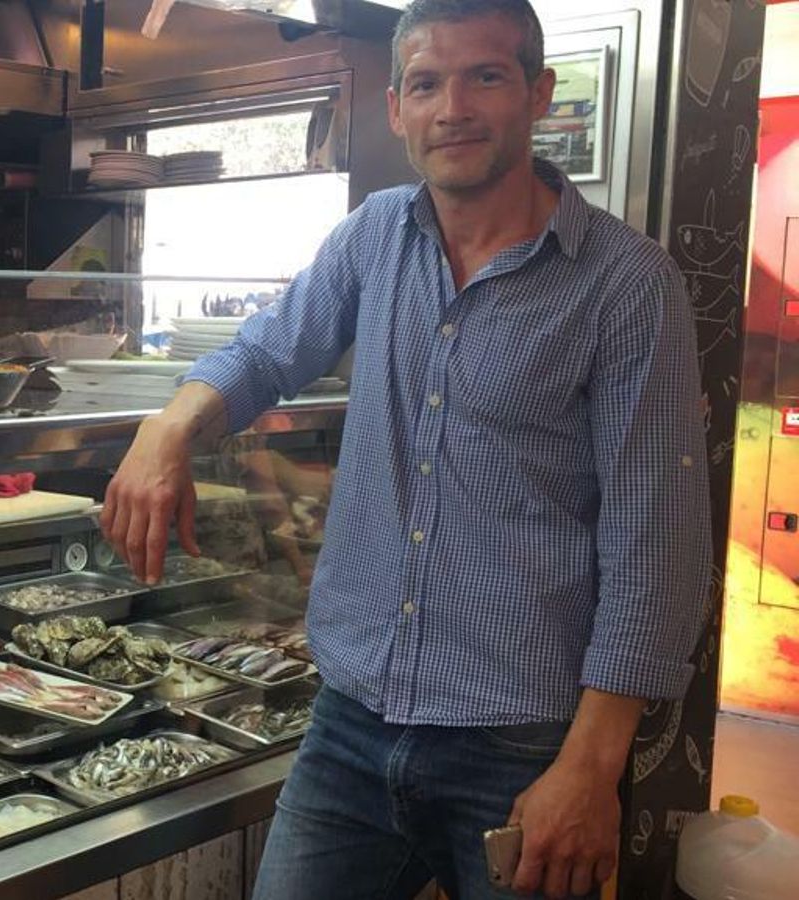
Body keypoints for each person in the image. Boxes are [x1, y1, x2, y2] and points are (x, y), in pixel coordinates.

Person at [99, 1, 711, 897]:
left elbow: (657, 546)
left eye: (485, 76)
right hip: (351, 723)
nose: (451, 107)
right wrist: (169, 425)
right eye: (426, 83)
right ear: (396, 108)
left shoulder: (626, 284)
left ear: (538, 93)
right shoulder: (373, 235)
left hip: (520, 742)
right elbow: (269, 347)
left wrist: (589, 767)